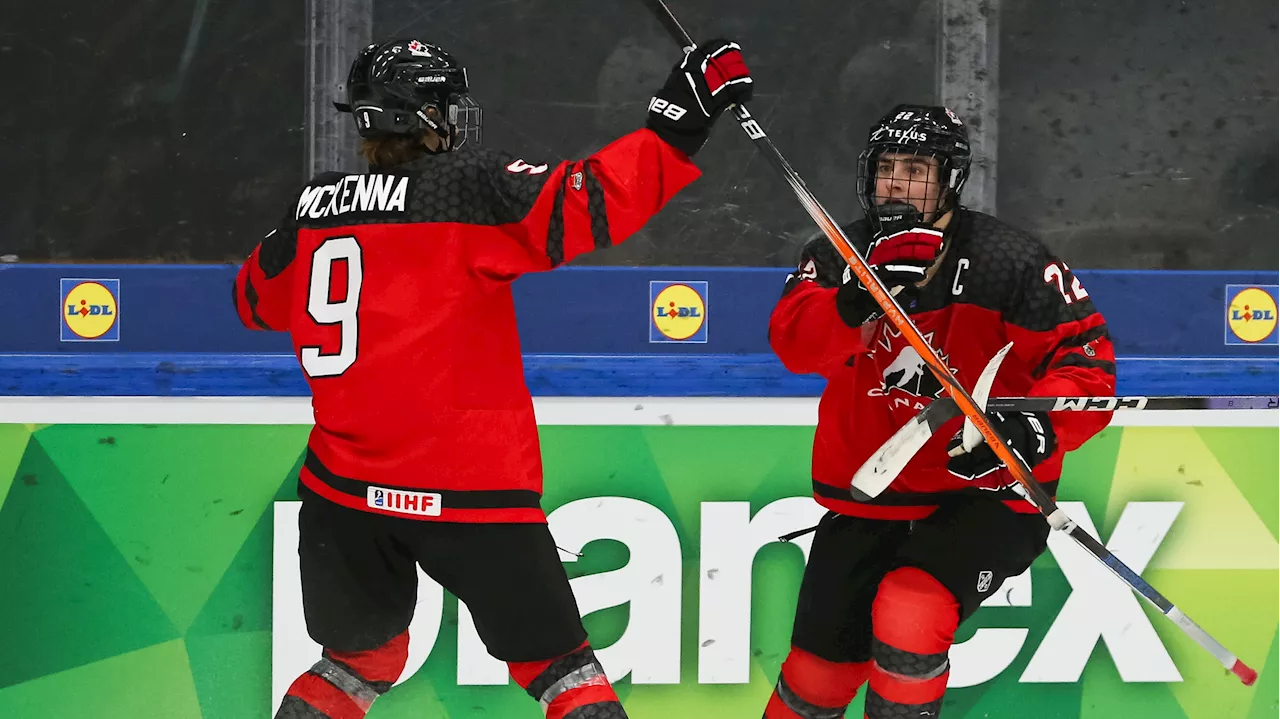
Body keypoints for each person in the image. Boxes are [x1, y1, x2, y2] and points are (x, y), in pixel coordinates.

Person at [231, 36, 753, 719]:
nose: (454, 118)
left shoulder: (313, 205)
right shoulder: (462, 187)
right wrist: (680, 118)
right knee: (560, 670)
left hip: (345, 491)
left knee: (357, 662)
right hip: (469, 490)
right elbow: (587, 200)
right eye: (443, 105)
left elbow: (253, 301)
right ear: (417, 115)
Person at [763, 105, 1117, 719]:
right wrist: (853, 300)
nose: (899, 184)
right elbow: (794, 345)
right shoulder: (836, 251)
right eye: (887, 168)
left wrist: (1035, 422)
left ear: (950, 179)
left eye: (917, 169)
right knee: (817, 678)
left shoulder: (1011, 262)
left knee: (911, 607)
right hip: (871, 494)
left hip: (985, 493)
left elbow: (1087, 367)